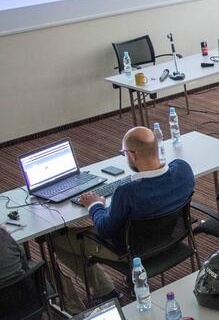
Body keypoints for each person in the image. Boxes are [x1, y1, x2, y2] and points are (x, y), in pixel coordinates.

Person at [52, 127, 195, 314]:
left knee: (56, 239)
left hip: (129, 250)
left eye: (124, 153)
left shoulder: (127, 193)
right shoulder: (183, 170)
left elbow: (103, 229)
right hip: (168, 238)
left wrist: (95, 205)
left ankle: (103, 290)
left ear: (133, 155)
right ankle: (106, 287)